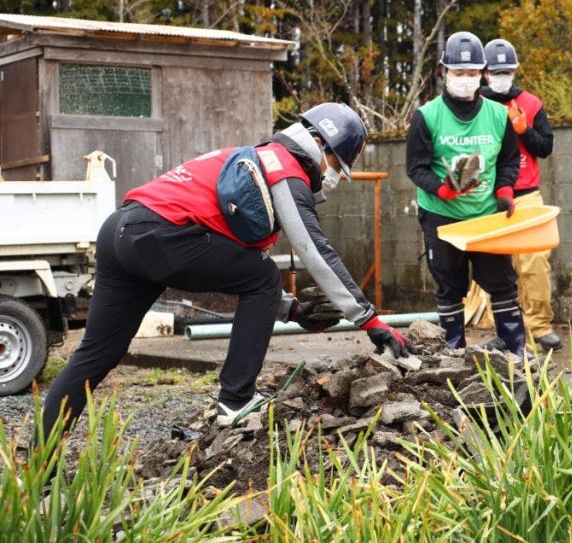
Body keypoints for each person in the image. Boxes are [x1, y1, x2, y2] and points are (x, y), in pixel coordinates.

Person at [42, 103, 413, 436]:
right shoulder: (284, 169)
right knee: (264, 275)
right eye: (335, 165)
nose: (333, 176)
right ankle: (235, 400)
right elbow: (314, 249)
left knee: (95, 356)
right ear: (317, 142)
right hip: (160, 235)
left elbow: (227, 257)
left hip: (121, 232)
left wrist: (293, 310)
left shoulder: (252, 162)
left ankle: (41, 467)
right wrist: (371, 322)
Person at [406, 31, 528, 355]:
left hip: (486, 214)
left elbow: (508, 160)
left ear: (482, 74)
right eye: (458, 73)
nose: (465, 79)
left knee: (503, 284)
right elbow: (416, 168)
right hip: (442, 217)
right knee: (449, 288)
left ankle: (515, 353)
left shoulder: (498, 115)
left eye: (472, 73)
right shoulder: (427, 116)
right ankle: (454, 355)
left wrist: (504, 189)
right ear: (443, 71)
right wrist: (442, 189)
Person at [466, 38, 561, 352]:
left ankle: (540, 325)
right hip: (487, 197)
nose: (501, 76)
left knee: (535, 261)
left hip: (526, 193)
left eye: (507, 71)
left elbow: (545, 148)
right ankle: (505, 327)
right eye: (496, 71)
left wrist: (524, 131)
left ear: (515, 71)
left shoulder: (531, 104)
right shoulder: (475, 103)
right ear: (485, 73)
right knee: (495, 267)